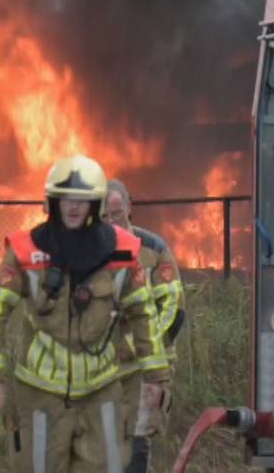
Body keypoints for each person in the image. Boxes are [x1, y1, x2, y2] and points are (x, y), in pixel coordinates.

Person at [0, 154, 170, 472]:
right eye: (65, 199)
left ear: (96, 204)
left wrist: (156, 377)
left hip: (101, 392)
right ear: (52, 203)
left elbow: (144, 313)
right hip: (39, 394)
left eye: (82, 200)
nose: (73, 207)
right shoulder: (26, 253)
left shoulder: (122, 251)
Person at [105, 178, 185, 473]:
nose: (111, 222)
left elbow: (174, 312)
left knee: (136, 448)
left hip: (146, 368)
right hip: (103, 371)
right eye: (103, 216)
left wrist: (141, 351)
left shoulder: (152, 249)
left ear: (129, 207)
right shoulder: (89, 253)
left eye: (116, 213)